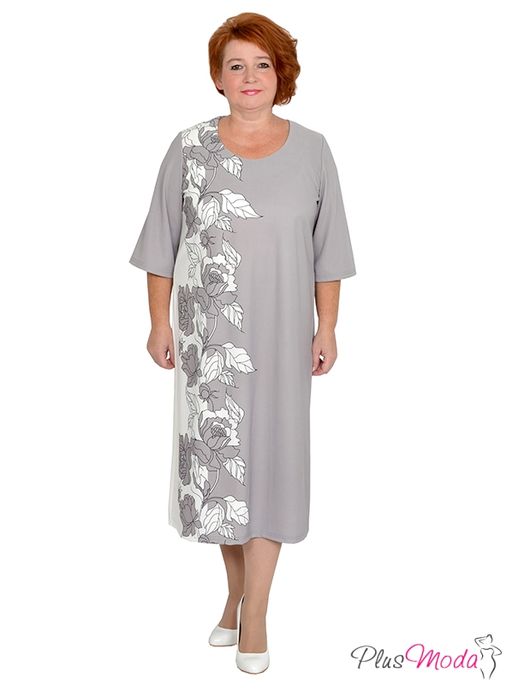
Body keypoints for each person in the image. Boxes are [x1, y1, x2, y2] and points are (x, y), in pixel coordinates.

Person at [128, 12, 356, 674]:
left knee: (273, 468)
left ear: (281, 74)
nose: (249, 76)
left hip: (284, 338)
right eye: (236, 65)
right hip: (210, 340)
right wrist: (160, 323)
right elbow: (160, 246)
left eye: (262, 64)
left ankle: (255, 613)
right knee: (222, 476)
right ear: (218, 78)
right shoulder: (189, 148)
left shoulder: (313, 151)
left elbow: (329, 252)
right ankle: (236, 594)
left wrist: (327, 327)